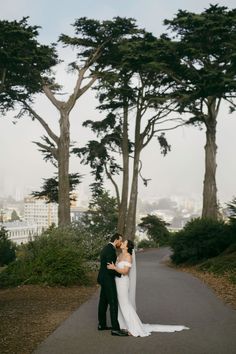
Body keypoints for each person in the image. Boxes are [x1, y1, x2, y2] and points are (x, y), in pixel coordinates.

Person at [107, 240, 189, 337]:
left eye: (124, 243)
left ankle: (134, 327)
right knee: (120, 304)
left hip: (123, 282)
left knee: (125, 304)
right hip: (116, 281)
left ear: (127, 247)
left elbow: (125, 272)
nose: (122, 243)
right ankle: (122, 325)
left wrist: (114, 268)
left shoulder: (128, 257)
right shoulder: (120, 255)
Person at [97, 233, 129, 336]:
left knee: (103, 302)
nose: (121, 242)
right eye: (120, 240)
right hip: (107, 279)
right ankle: (115, 329)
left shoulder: (106, 248)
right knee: (113, 302)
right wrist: (121, 274)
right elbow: (110, 268)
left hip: (102, 278)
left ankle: (102, 325)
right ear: (116, 240)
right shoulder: (111, 250)